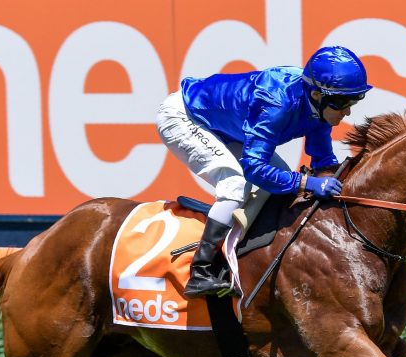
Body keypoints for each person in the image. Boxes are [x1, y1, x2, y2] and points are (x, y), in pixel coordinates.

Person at [156, 46, 372, 298]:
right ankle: (200, 273)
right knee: (236, 185)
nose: (348, 111)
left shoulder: (317, 105)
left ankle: (238, 249)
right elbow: (254, 168)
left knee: (280, 175)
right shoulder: (276, 103)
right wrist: (306, 182)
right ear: (316, 94)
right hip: (185, 117)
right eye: (343, 102)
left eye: (354, 101)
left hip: (226, 126)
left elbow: (323, 159)